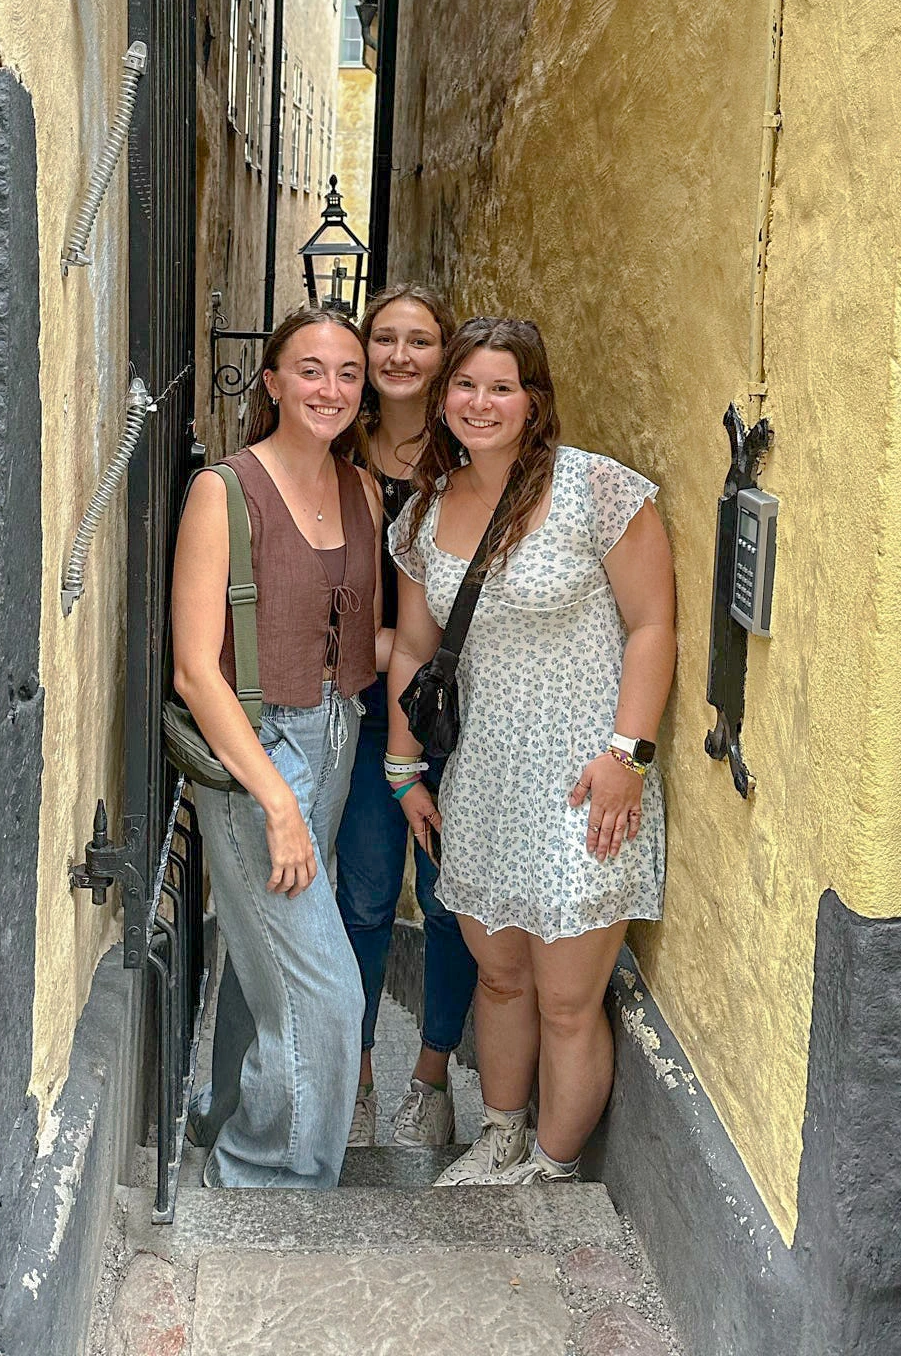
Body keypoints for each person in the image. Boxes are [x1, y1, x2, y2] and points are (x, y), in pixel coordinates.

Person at [386, 316, 675, 1186]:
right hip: (485, 782)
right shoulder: (429, 510)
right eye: (466, 386)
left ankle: (551, 1170)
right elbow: (411, 650)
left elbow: (653, 627)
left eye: (501, 387)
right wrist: (404, 771)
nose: (481, 403)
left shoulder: (599, 490)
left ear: (534, 401)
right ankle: (500, 1137)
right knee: (501, 978)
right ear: (444, 401)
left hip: (587, 783)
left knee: (566, 998)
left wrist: (628, 757)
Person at [171, 307, 383, 1189]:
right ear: (271, 382)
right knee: (327, 997)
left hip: (338, 735)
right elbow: (193, 668)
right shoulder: (224, 491)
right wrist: (279, 800)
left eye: (346, 372)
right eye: (309, 370)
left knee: (270, 957)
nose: (329, 388)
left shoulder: (365, 491)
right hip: (256, 756)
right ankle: (272, 1184)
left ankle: (218, 1120)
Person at [334, 285, 479, 1148]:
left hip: (459, 718)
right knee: (363, 894)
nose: (398, 356)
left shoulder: (472, 456)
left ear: (445, 352)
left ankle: (432, 1077)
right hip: (356, 709)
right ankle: (353, 1077)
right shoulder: (337, 450)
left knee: (451, 897)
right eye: (383, 338)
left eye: (418, 340)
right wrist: (385, 650)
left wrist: (406, 652)